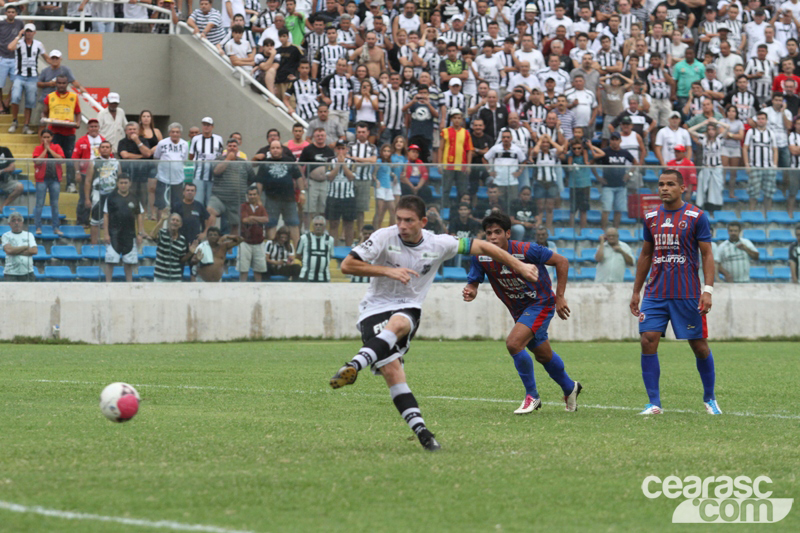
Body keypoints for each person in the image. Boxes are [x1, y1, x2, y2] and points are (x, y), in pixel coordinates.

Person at [329, 196, 541, 450]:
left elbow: (484, 247)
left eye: (408, 220)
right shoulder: (384, 236)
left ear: (423, 222)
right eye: (398, 219)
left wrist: (518, 265)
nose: (402, 225)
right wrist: (388, 271)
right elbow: (348, 264)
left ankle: (354, 364)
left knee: (398, 324)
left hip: (408, 309)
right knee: (393, 373)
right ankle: (423, 433)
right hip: (373, 308)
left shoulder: (440, 243)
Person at [461, 211, 580, 414]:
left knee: (514, 343)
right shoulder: (481, 255)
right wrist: (471, 289)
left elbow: (562, 262)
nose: (492, 237)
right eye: (489, 233)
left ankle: (532, 396)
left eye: (497, 232)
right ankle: (570, 388)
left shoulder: (526, 250)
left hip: (541, 303)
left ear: (508, 233)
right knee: (543, 355)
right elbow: (474, 281)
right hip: (518, 309)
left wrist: (560, 297)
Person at [630, 168, 719, 416]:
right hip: (656, 293)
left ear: (682, 188)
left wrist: (707, 290)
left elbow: (707, 254)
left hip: (687, 294)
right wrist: (636, 291)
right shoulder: (650, 217)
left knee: (699, 346)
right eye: (660, 184)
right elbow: (646, 254)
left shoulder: (696, 216)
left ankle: (710, 398)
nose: (664, 189)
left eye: (670, 184)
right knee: (648, 340)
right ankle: (654, 403)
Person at [256, 140, 303, 244]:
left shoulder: (289, 161)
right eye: (273, 148)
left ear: (281, 149)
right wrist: (258, 199)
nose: (275, 150)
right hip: (271, 199)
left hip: (289, 199)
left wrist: (302, 192)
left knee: (293, 224)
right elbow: (259, 182)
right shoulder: (265, 164)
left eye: (277, 148)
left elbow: (298, 177)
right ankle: (272, 250)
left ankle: (297, 253)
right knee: (271, 224)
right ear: (270, 150)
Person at [102, 174, 145, 283]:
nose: (123, 185)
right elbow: (106, 215)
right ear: (117, 184)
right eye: (121, 183)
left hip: (129, 235)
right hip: (114, 235)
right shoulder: (111, 197)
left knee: (129, 263)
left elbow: (139, 214)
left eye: (125, 183)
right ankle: (107, 285)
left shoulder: (135, 198)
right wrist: (106, 234)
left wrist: (140, 233)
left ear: (129, 184)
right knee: (110, 262)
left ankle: (129, 285)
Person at [210, 138, 255, 236]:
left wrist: (242, 186)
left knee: (235, 225)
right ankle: (212, 240)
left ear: (238, 148)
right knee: (213, 214)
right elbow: (216, 171)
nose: (232, 148)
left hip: (237, 199)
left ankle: (232, 248)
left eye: (234, 146)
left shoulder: (244, 163)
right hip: (220, 198)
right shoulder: (219, 159)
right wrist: (228, 159)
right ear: (226, 148)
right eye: (230, 146)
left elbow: (252, 178)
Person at [8, 24, 47, 135]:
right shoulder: (19, 43)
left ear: (34, 32)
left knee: (30, 102)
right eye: (27, 31)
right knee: (15, 97)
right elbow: (10, 47)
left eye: (30, 31)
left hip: (33, 77)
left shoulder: (38, 44)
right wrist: (18, 36)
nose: (28, 33)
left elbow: (46, 57)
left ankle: (26, 125)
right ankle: (14, 121)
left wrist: (56, 64)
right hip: (19, 75)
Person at [597, 132, 636, 229]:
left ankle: (616, 231)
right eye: (612, 139)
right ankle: (604, 231)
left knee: (618, 210)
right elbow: (592, 162)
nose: (614, 142)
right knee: (606, 209)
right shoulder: (604, 152)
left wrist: (629, 174)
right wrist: (598, 177)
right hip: (608, 185)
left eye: (616, 139)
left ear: (620, 141)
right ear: (610, 140)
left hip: (621, 185)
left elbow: (635, 163)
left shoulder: (624, 152)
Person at [743, 111, 779, 215]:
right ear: (756, 120)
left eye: (763, 119)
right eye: (759, 119)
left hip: (769, 167)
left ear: (766, 120)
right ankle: (752, 215)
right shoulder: (751, 132)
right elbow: (745, 148)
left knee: (769, 194)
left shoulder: (771, 133)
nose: (761, 121)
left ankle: (767, 216)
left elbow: (775, 149)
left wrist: (775, 164)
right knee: (753, 194)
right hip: (755, 167)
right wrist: (747, 164)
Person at [299, 128, 335, 229]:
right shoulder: (308, 149)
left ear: (325, 137)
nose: (320, 137)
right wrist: (303, 179)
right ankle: (306, 230)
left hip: (325, 183)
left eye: (322, 135)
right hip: (311, 182)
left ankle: (322, 230)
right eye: (318, 135)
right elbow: (299, 165)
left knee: (324, 209)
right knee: (309, 209)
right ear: (314, 137)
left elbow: (333, 167)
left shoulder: (329, 151)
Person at [153, 123, 190, 221]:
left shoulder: (185, 144)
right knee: (161, 205)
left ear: (180, 133)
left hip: (178, 180)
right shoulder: (162, 143)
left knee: (177, 205)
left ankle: (174, 228)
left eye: (177, 132)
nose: (175, 134)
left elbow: (184, 160)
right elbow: (156, 157)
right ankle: (160, 229)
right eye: (173, 132)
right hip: (163, 178)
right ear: (169, 133)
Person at [32, 130, 65, 236]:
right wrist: (45, 150)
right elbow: (37, 161)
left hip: (55, 179)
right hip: (41, 179)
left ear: (52, 137)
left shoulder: (57, 147)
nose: (45, 139)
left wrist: (49, 149)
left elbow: (61, 160)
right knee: (39, 204)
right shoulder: (38, 148)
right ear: (41, 138)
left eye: (48, 137)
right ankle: (38, 227)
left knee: (54, 204)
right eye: (44, 137)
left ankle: (56, 227)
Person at [325, 140, 357, 246]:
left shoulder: (352, 162)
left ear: (347, 150)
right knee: (333, 223)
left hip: (348, 196)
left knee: (349, 224)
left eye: (343, 148)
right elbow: (329, 177)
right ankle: (333, 248)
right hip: (333, 196)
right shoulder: (330, 161)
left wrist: (343, 165)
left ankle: (348, 249)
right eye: (338, 148)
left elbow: (351, 177)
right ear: (335, 150)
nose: (340, 151)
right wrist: (338, 165)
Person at [150, 212, 196, 282]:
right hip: (160, 277)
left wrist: (190, 253)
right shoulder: (162, 233)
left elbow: (181, 260)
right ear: (169, 222)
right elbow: (152, 235)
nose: (175, 222)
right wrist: (162, 220)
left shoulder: (182, 239)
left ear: (180, 225)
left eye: (177, 221)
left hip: (175, 278)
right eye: (173, 220)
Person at [189, 116, 224, 207]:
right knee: (198, 201)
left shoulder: (218, 139)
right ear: (202, 126)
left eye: (208, 125)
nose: (206, 127)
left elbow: (221, 156)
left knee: (210, 203)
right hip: (198, 175)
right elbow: (191, 156)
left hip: (213, 177)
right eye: (204, 125)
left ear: (212, 127)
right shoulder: (196, 139)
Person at [238, 185, 270, 281]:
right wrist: (258, 219)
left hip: (259, 242)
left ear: (258, 195)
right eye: (250, 194)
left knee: (259, 269)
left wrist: (252, 218)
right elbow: (245, 220)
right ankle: (242, 289)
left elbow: (266, 219)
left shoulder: (261, 208)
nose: (252, 196)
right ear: (247, 195)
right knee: (243, 269)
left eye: (254, 194)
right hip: (245, 242)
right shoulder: (243, 206)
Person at [0, 6, 24, 116]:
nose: (10, 14)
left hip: (15, 58)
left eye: (12, 12)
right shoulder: (1, 24)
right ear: (5, 13)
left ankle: (7, 101)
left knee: (16, 82)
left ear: (16, 13)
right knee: (0, 84)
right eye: (8, 12)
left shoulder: (20, 24)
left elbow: (23, 38)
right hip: (2, 57)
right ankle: (1, 105)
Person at [297, 215, 335, 282]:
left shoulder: (330, 240)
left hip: (324, 277)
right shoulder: (304, 238)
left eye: (321, 225)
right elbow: (298, 254)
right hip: (306, 276)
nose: (318, 226)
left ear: (324, 227)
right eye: (316, 224)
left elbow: (330, 255)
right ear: (313, 226)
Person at [1, 212, 37, 281]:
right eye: (13, 220)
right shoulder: (6, 236)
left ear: (22, 223)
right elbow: (9, 250)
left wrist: (14, 251)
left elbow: (34, 251)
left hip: (28, 273)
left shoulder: (29, 235)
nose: (16, 223)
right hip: (11, 273)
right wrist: (25, 247)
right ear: (9, 224)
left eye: (19, 220)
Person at [373, 144, 396, 229]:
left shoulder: (389, 162)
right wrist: (376, 180)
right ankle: (376, 230)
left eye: (388, 151)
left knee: (393, 209)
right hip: (380, 187)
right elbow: (373, 174)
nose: (386, 153)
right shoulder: (379, 161)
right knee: (379, 210)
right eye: (384, 151)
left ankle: (392, 230)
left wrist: (393, 175)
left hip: (388, 187)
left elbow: (388, 172)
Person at [0, 143, 22, 209]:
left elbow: (12, 167)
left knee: (19, 187)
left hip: (6, 180)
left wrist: (2, 171)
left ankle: (2, 207)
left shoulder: (5, 150)